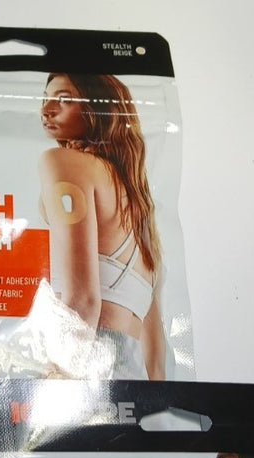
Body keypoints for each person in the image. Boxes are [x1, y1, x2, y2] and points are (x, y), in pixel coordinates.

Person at [37, 73, 166, 380]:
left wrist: (56, 382)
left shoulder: (63, 162)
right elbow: (154, 346)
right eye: (45, 99)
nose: (46, 110)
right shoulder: (139, 203)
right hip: (135, 376)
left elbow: (82, 300)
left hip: (85, 359)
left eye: (64, 100)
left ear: (97, 109)